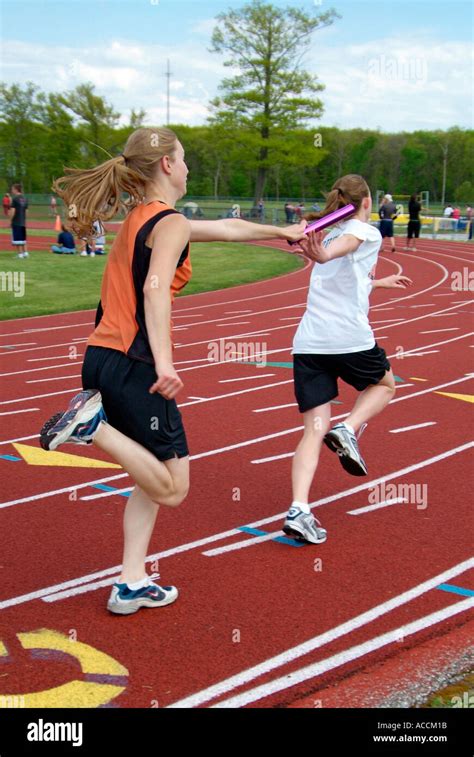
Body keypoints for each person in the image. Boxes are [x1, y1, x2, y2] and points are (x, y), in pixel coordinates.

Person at [38, 126, 307, 615]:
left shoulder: (148, 219)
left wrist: (283, 232)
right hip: (135, 362)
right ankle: (91, 428)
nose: (187, 167)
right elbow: (155, 290)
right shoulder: (170, 223)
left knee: (149, 480)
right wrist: (164, 360)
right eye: (183, 159)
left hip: (101, 358)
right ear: (167, 165)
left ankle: (131, 582)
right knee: (174, 487)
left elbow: (228, 228)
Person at [281, 174, 412, 544]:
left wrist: (376, 283)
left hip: (309, 343)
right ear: (367, 203)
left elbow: (341, 270)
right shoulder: (363, 231)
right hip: (349, 339)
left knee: (312, 431)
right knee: (385, 385)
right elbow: (343, 250)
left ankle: (299, 509)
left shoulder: (331, 230)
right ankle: (350, 428)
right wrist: (322, 254)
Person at [8, 183, 29, 258]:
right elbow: (26, 211)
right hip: (23, 221)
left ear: (16, 189)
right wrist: (23, 219)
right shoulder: (25, 199)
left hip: (16, 221)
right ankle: (25, 253)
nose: (12, 190)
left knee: (17, 239)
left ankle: (20, 254)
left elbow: (13, 210)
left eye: (12, 189)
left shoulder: (15, 199)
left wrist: (10, 220)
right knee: (23, 238)